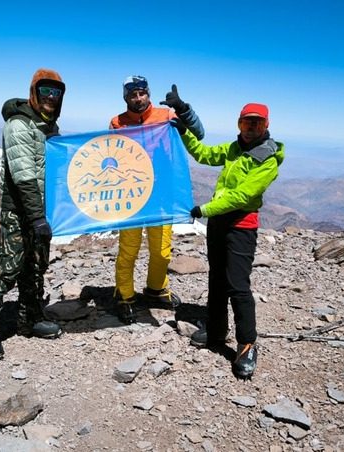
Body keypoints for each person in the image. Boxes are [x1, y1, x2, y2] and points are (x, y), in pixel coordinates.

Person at [172, 102, 284, 379]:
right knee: (217, 279)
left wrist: (204, 210)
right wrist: (185, 130)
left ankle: (247, 343)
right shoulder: (234, 148)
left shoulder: (267, 159)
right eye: (246, 123)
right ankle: (217, 329)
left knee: (237, 285)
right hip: (219, 224)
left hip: (241, 225)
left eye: (256, 123)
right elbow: (204, 154)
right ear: (239, 124)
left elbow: (243, 197)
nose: (250, 128)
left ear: (266, 126)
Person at [0, 68, 66, 362]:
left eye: (56, 92)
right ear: (34, 92)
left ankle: (30, 319)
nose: (50, 97)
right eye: (45, 91)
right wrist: (36, 217)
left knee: (35, 267)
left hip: (40, 212)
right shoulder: (19, 125)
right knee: (8, 268)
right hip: (20, 211)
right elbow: (24, 177)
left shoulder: (49, 127)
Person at [109, 75, 205, 324]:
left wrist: (183, 108)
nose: (138, 98)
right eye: (132, 94)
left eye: (141, 93)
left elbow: (198, 133)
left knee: (161, 250)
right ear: (126, 97)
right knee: (129, 250)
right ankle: (125, 296)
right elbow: (108, 154)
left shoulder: (165, 115)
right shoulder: (117, 123)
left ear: (148, 94)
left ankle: (155, 289)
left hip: (161, 194)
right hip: (131, 195)